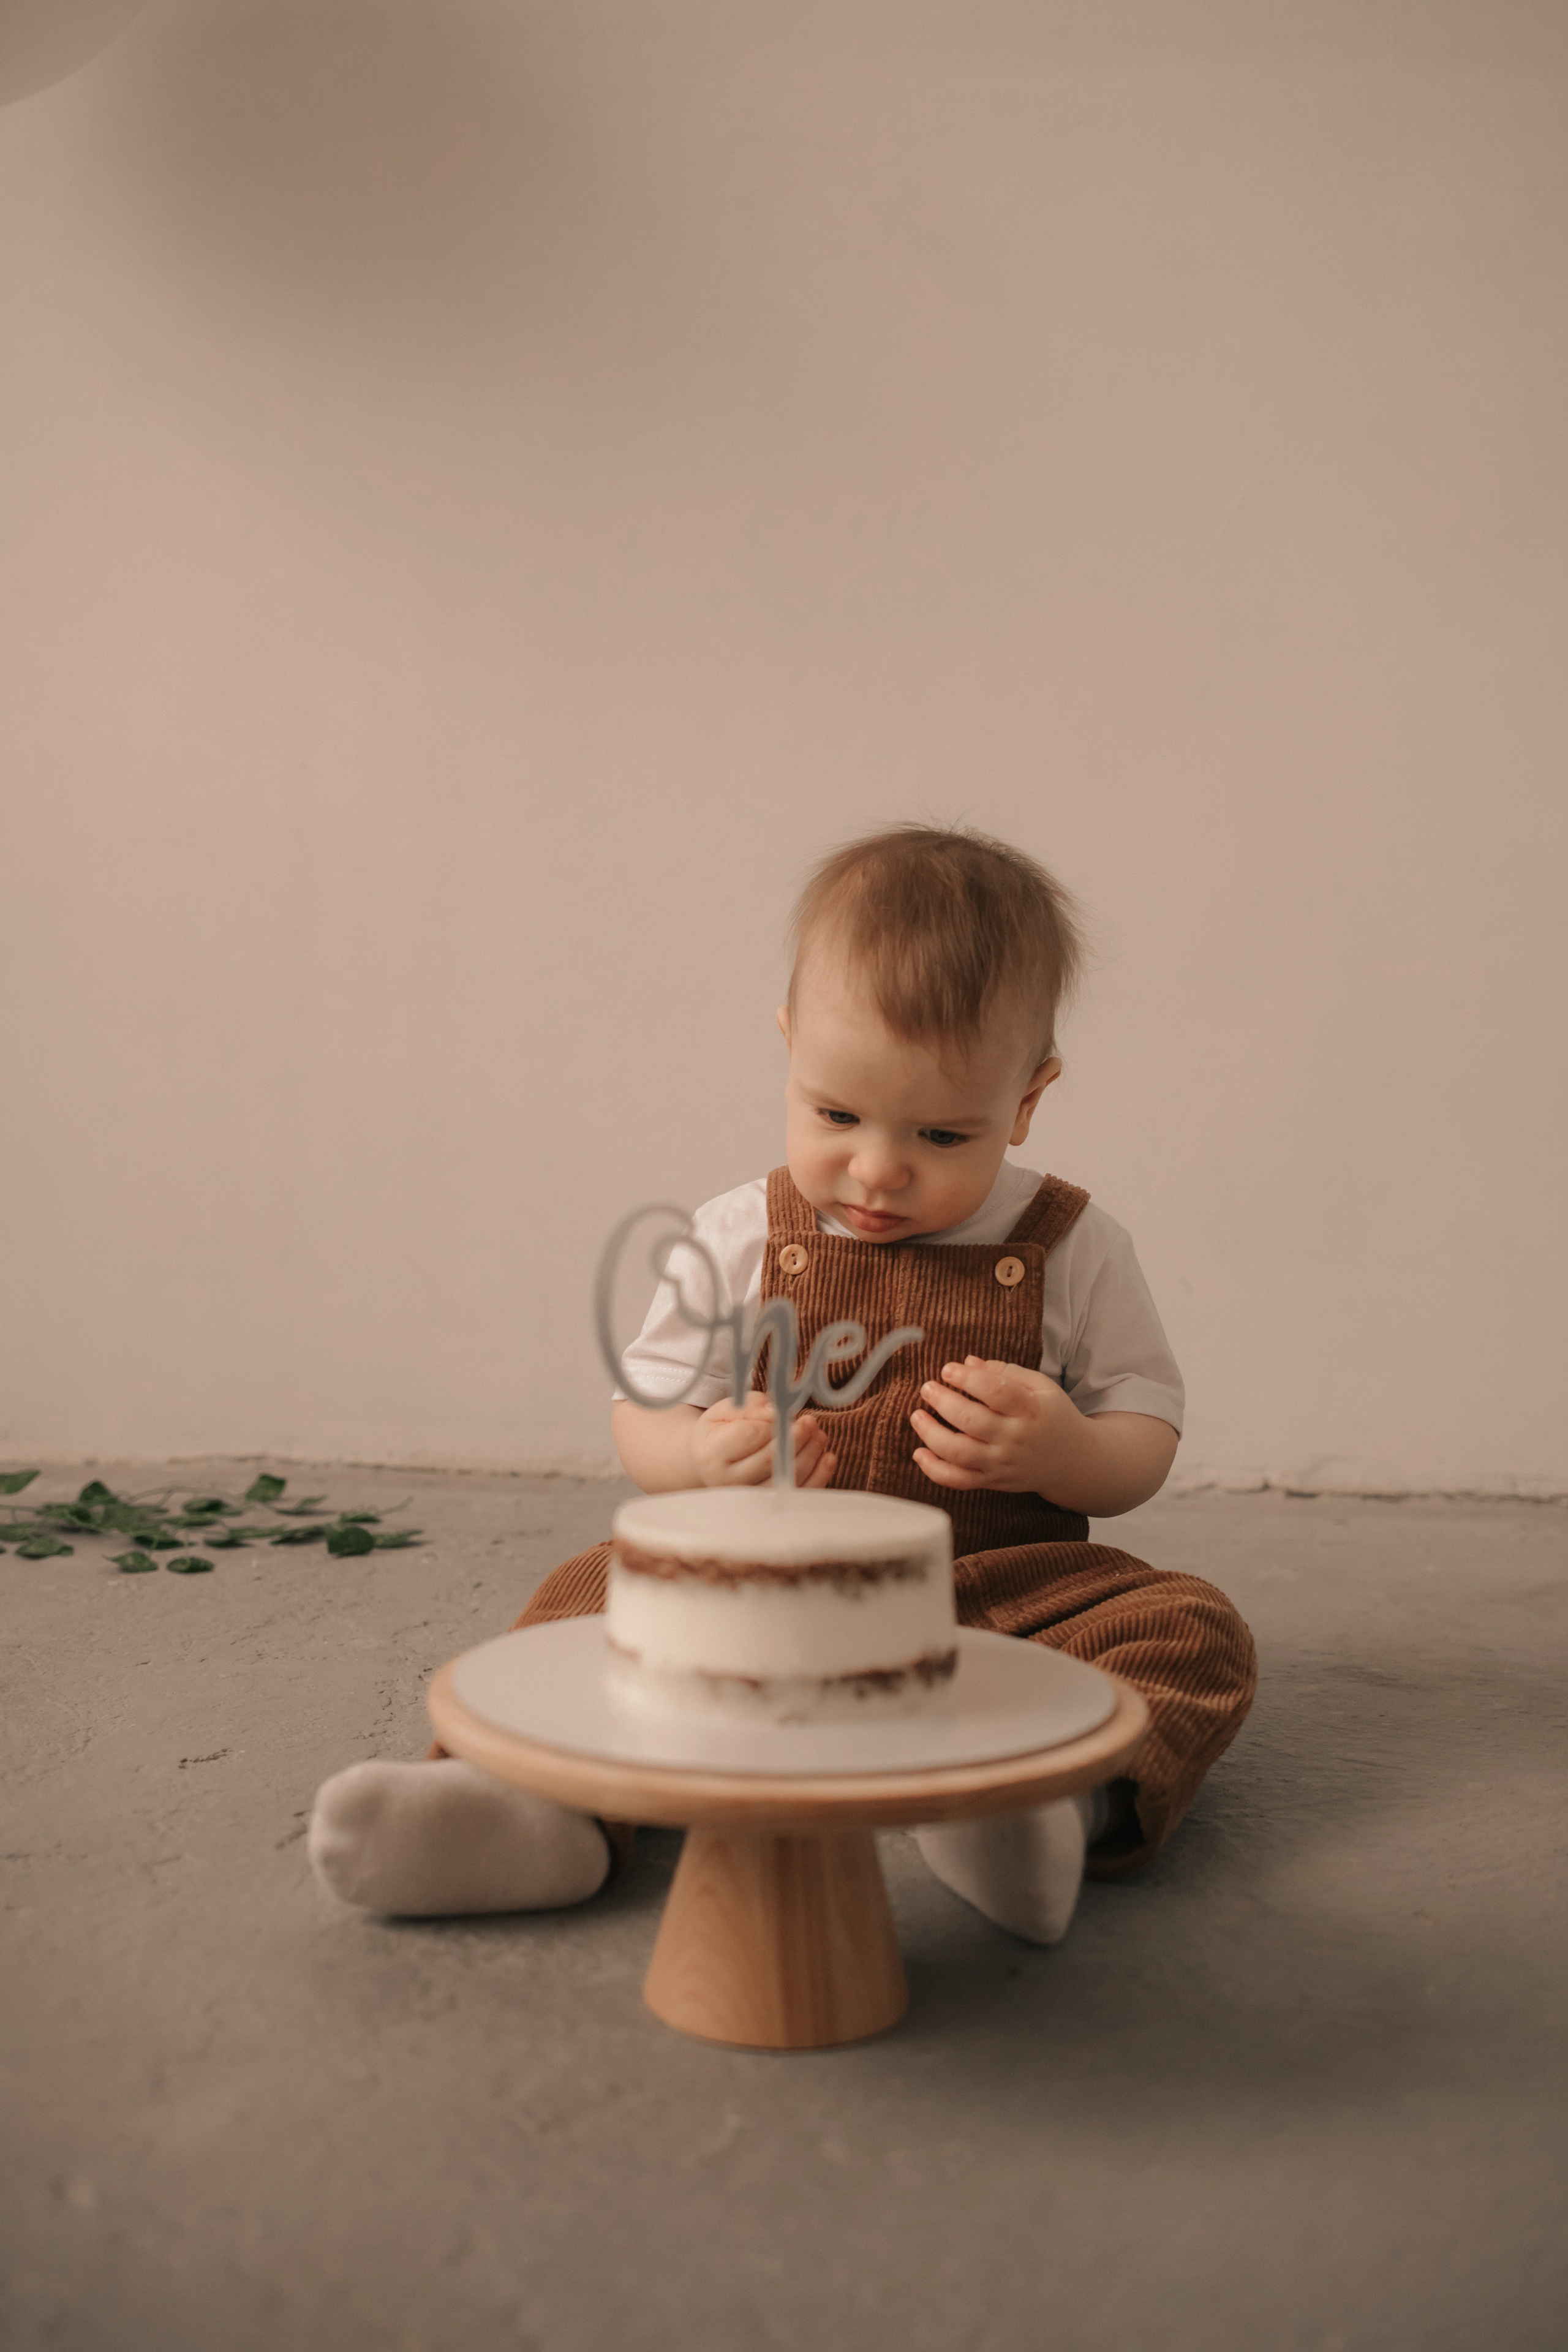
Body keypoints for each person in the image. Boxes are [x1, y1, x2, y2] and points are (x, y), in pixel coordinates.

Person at [311, 824, 1256, 1943]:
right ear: (789, 1047)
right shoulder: (741, 1234)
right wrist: (695, 1458)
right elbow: (645, 1410)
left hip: (1009, 1589)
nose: (877, 1168)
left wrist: (1070, 1454)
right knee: (594, 1590)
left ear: (1029, 1101)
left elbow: (1145, 1421)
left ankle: (1053, 1806)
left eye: (942, 1133)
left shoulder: (1077, 1245)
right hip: (766, 1593)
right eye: (836, 1115)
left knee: (1189, 1626)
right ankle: (527, 1808)